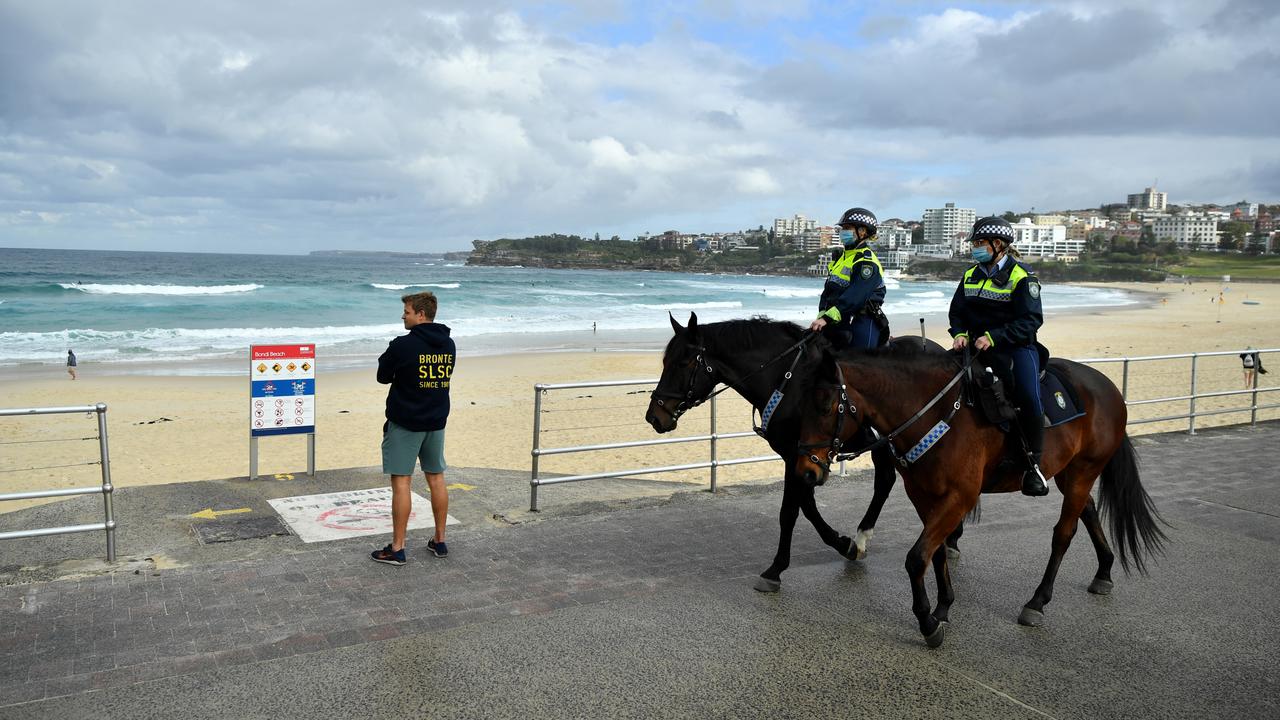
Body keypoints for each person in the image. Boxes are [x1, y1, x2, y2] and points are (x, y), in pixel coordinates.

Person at [948, 216, 1048, 497]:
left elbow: (1031, 320)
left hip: (1016, 348)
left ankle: (1034, 466)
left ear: (999, 245)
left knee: (1029, 396)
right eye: (975, 243)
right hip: (976, 347)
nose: (975, 248)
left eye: (980, 243)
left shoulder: (1022, 277)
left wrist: (994, 337)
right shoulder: (970, 275)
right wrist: (959, 332)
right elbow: (957, 312)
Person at [371, 291, 457, 565]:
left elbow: (382, 376)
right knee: (436, 478)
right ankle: (440, 540)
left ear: (421, 314)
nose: (403, 315)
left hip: (406, 422)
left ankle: (397, 548)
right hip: (436, 421)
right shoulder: (449, 344)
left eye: (406, 311)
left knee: (402, 483)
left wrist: (395, 357)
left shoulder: (402, 345)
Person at [809, 207, 889, 350]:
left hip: (863, 318)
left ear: (862, 231)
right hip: (839, 318)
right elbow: (828, 291)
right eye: (842, 228)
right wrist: (822, 314)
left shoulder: (867, 262)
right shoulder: (841, 258)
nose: (843, 232)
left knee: (858, 362)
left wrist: (826, 318)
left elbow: (855, 297)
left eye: (847, 228)